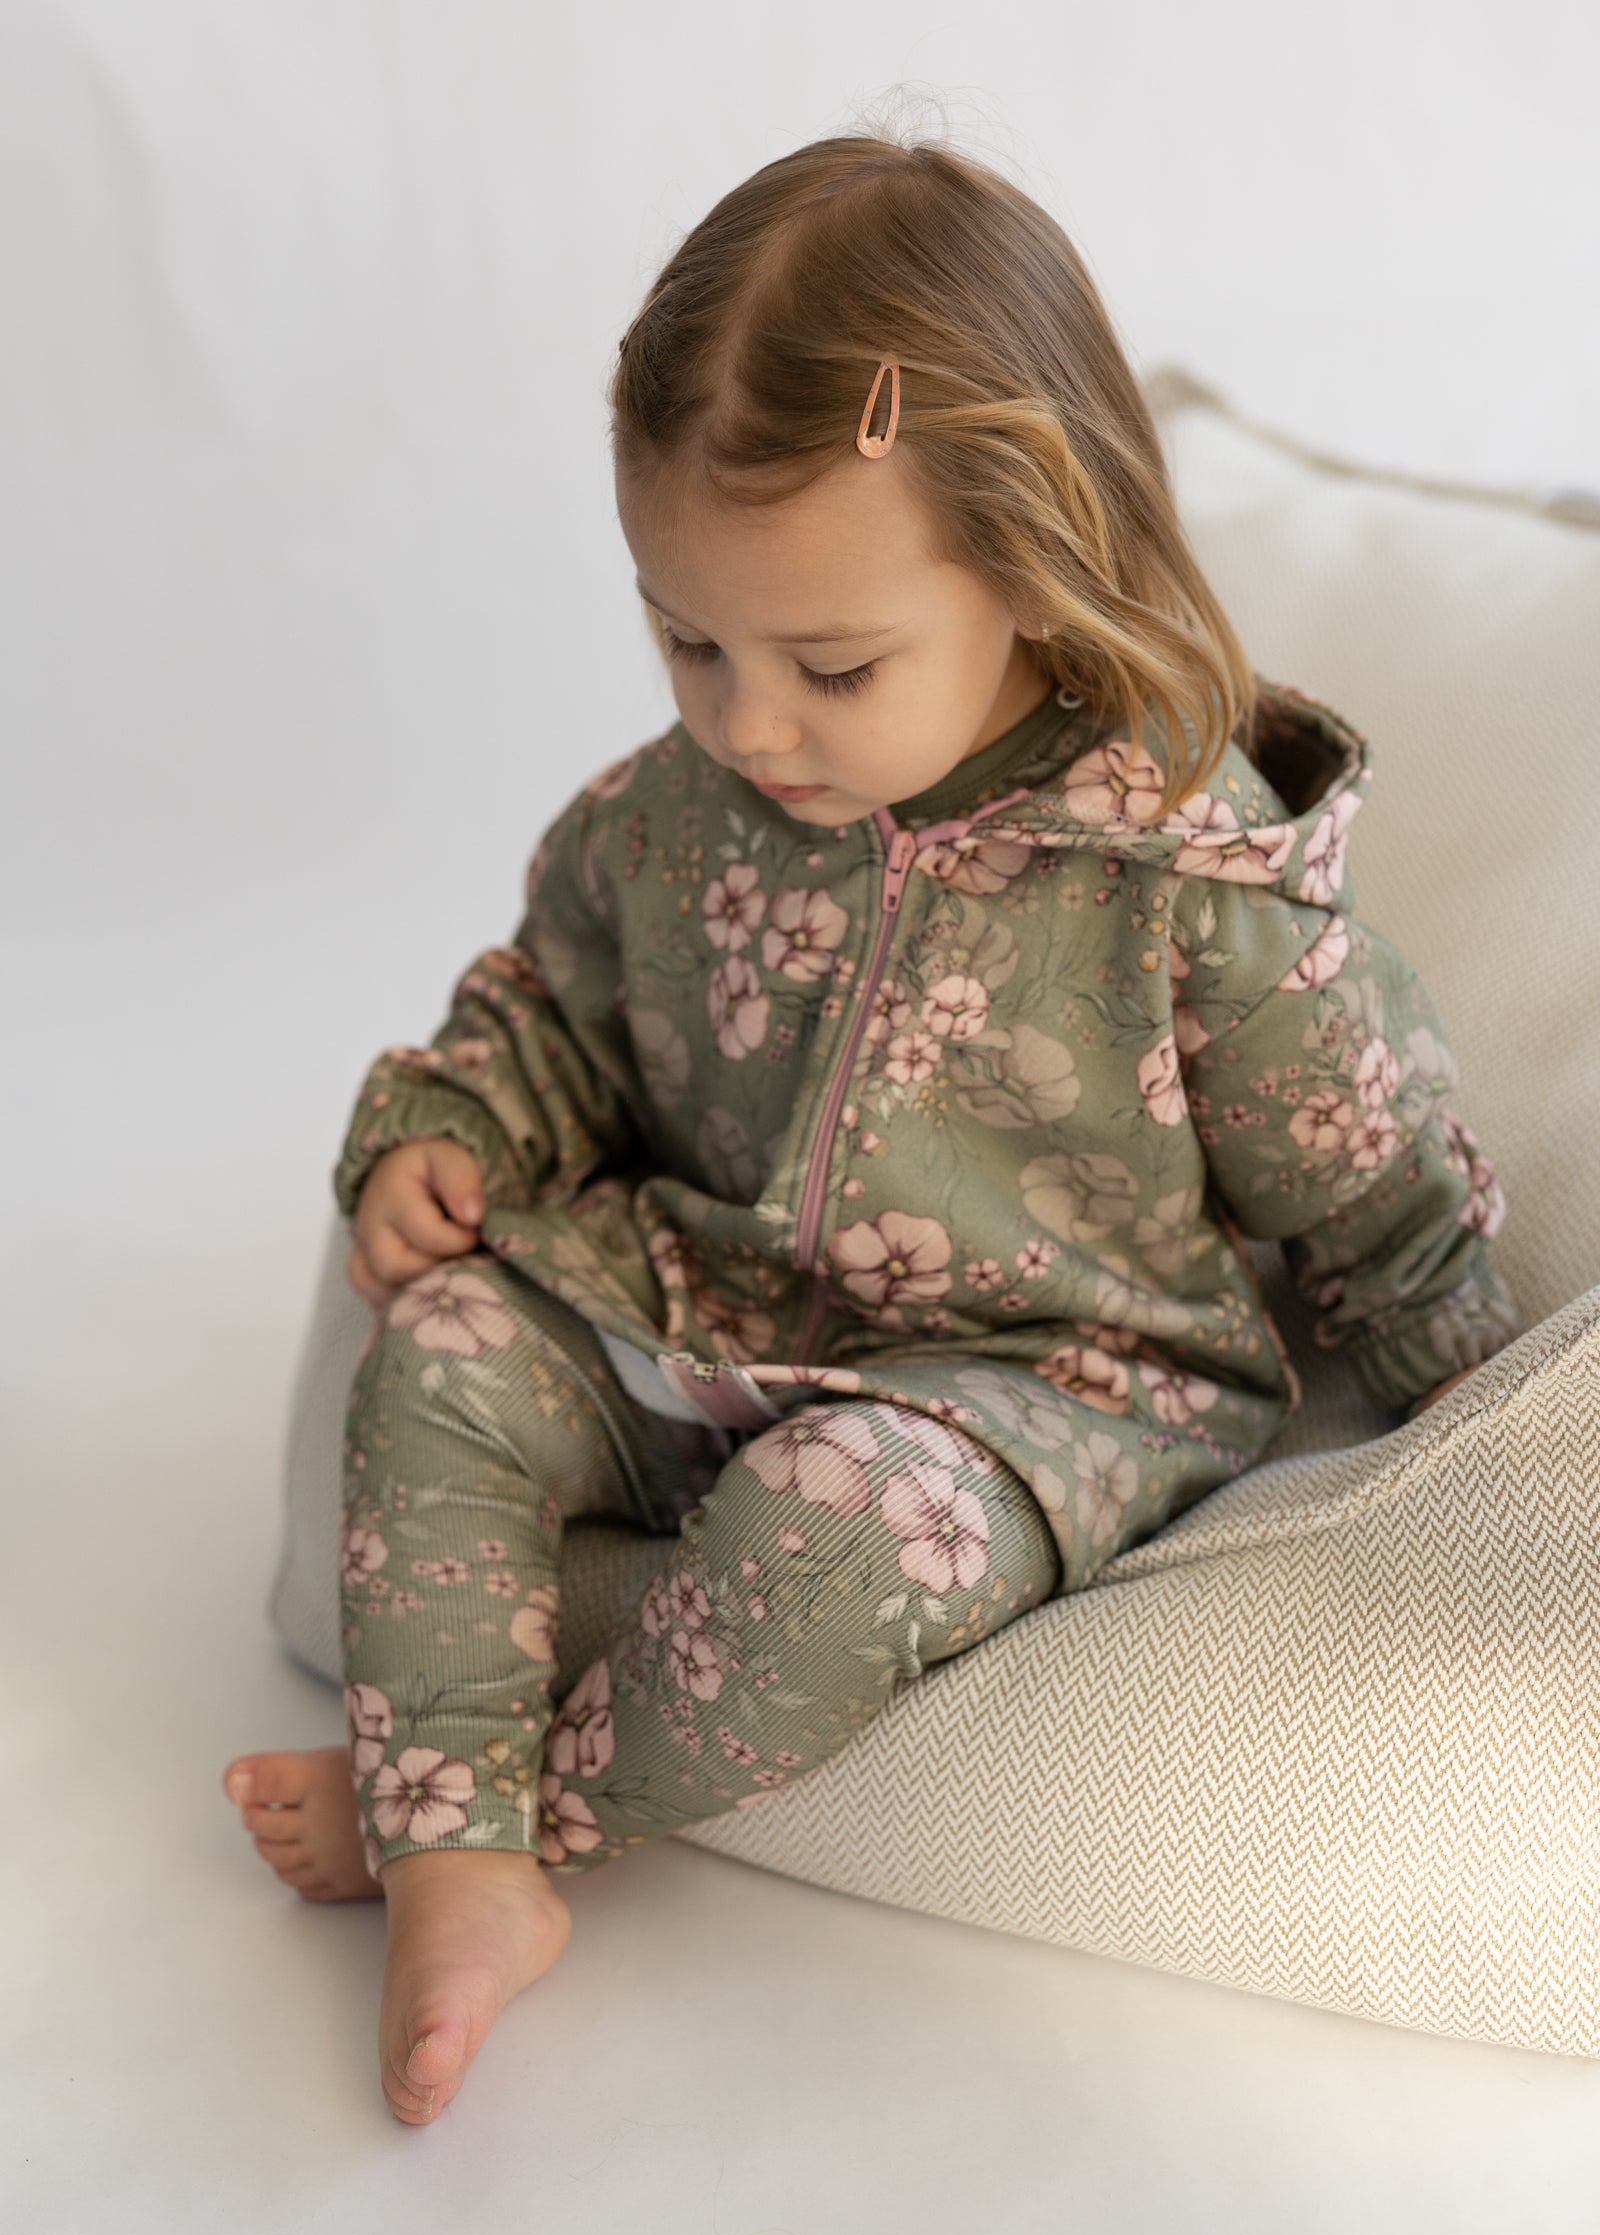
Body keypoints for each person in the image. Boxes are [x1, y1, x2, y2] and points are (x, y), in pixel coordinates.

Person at [223, 133, 1519, 2126]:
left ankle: (499, 1812)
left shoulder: (1189, 874)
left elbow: (1366, 1173)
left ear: (1033, 572)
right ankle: (453, 1861)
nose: (748, 723)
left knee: (834, 1538)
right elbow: (549, 1011)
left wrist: (1483, 1454)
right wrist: (450, 1124)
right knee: (445, 1352)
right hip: (707, 1294)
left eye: (830, 664)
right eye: (688, 639)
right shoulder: (671, 820)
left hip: (1034, 1389)